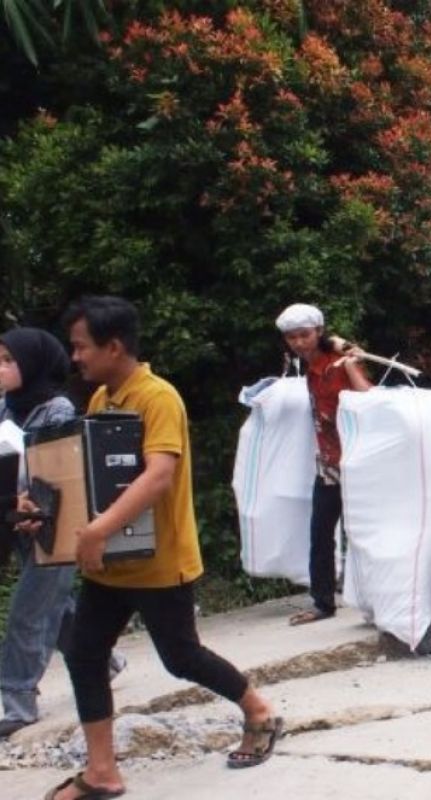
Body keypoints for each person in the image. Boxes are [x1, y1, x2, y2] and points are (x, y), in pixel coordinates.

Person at [42, 297, 279, 800]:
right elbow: (90, 478)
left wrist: (98, 529)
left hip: (159, 560)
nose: (76, 357)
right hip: (111, 563)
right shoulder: (102, 400)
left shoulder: (158, 396)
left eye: (82, 347)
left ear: (114, 346)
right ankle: (102, 772)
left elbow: (159, 475)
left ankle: (259, 710)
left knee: (180, 656)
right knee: (85, 656)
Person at [0, 328, 125, 740]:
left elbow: (65, 471)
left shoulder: (57, 411)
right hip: (18, 523)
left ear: (32, 363)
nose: (0, 369)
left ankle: (18, 702)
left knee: (29, 612)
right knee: (58, 605)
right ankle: (102, 660)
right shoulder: (5, 409)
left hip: (55, 525)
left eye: (7, 360)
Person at [274, 303, 371, 626]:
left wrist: (353, 366)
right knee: (320, 531)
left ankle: (373, 594)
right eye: (292, 337)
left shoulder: (338, 362)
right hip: (329, 462)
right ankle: (323, 602)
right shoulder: (309, 367)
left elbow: (369, 399)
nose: (299, 342)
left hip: (357, 461)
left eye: (304, 335)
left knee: (364, 531)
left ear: (318, 332)